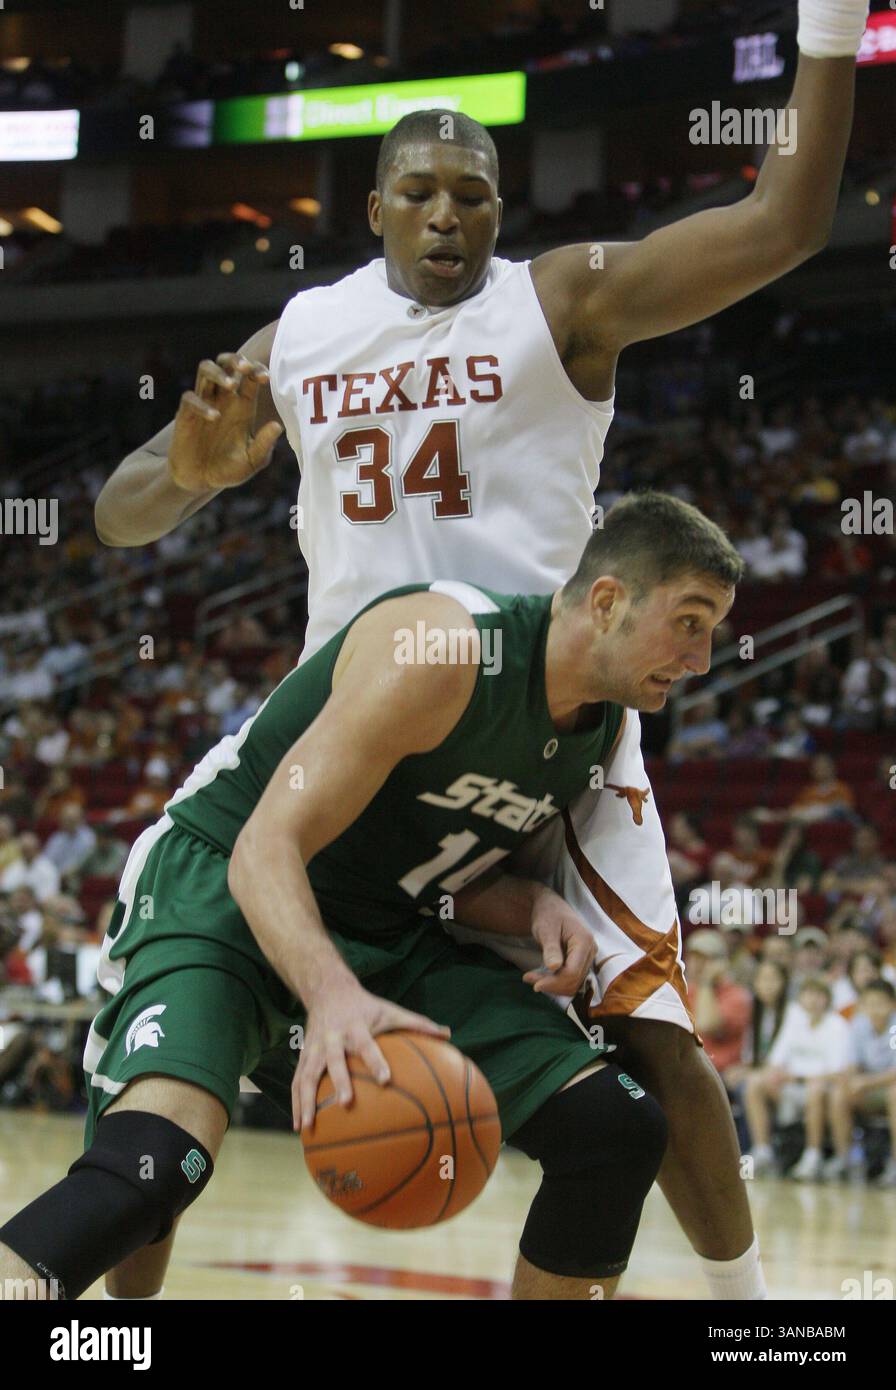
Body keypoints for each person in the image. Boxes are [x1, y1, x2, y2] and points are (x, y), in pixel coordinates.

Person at [92, 0, 871, 1301]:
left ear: (503, 209)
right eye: (419, 190)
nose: (447, 211)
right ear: (379, 207)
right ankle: (115, 1320)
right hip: (360, 735)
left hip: (543, 712)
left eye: (473, 191)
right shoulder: (301, 333)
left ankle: (755, 1321)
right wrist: (180, 476)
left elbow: (783, 225)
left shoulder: (560, 300)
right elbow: (121, 513)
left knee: (655, 1030)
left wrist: (833, 31)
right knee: (191, 1072)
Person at [1, 490, 743, 1299]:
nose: (703, 659)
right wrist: (331, 996)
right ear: (607, 601)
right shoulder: (439, 649)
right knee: (154, 1174)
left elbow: (421, 856)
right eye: (691, 621)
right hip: (223, 889)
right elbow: (264, 848)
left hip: (380, 929)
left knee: (613, 1127)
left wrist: (528, 904)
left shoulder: (594, 729)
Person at [744, 977, 853, 1180]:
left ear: (827, 1000)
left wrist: (797, 1078)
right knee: (755, 1082)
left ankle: (813, 1155)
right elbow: (775, 1061)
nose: (813, 1000)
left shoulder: (837, 1025)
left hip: (820, 1090)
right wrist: (774, 1075)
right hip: (789, 1087)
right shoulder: (794, 1021)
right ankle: (763, 1149)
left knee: (815, 1088)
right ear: (800, 998)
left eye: (819, 995)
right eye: (808, 994)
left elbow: (838, 1073)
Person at [826, 980, 896, 1186]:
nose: (875, 1009)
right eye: (869, 1003)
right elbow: (852, 1064)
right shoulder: (858, 1024)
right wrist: (848, 1077)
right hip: (868, 1089)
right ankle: (844, 1159)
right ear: (862, 1005)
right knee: (839, 1094)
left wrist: (865, 1083)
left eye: (880, 1003)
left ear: (892, 1004)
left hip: (886, 1088)